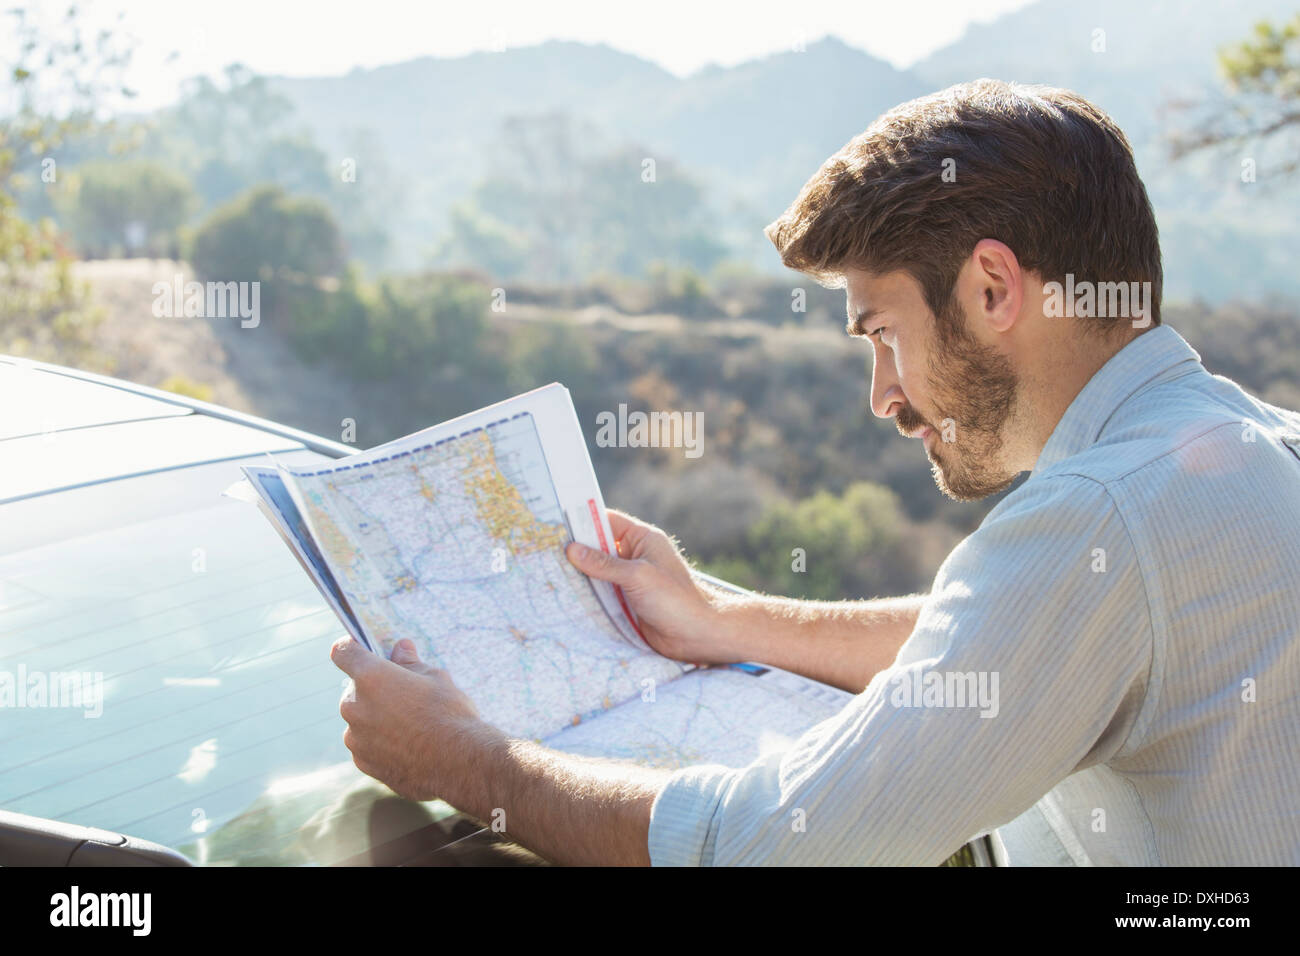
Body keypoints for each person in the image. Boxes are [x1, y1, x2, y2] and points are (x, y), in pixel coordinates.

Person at [331, 79, 1300, 865]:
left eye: (882, 334)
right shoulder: (1246, 447)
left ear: (993, 287)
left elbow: (762, 848)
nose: (883, 395)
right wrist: (728, 621)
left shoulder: (1101, 520)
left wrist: (466, 760)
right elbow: (1000, 641)